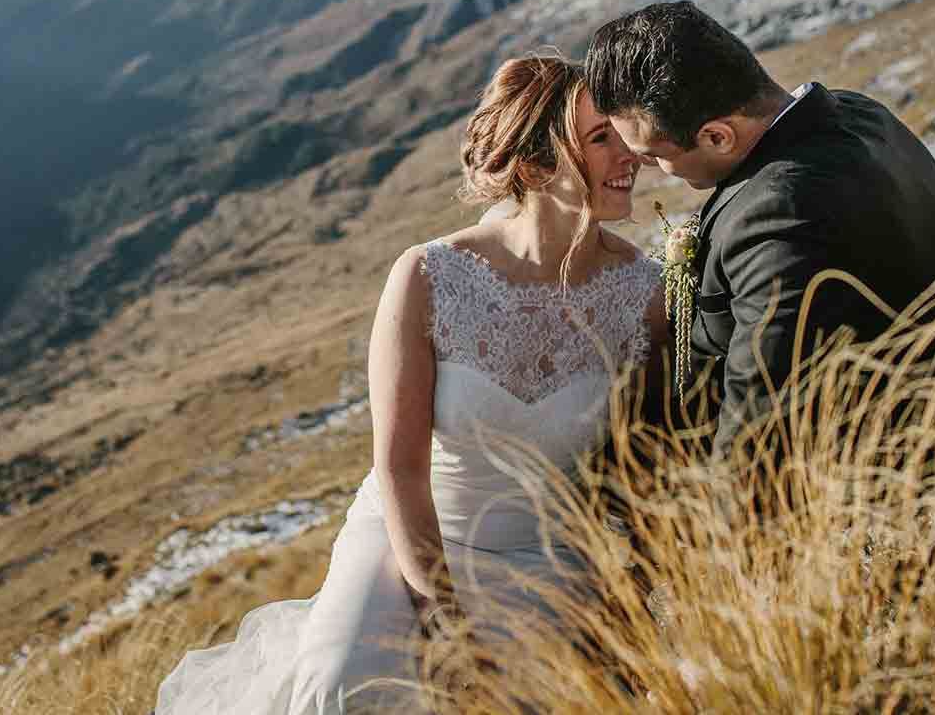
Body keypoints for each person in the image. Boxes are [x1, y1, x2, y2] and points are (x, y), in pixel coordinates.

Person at [155, 55, 666, 713]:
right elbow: (399, 469)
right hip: (411, 541)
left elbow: (644, 464)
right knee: (348, 686)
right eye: (602, 139)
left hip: (550, 558)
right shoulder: (429, 275)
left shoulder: (643, 293)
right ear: (538, 164)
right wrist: (446, 619)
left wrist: (629, 594)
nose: (631, 153)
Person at [584, 0, 935, 463]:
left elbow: (761, 427)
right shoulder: (862, 114)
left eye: (654, 153)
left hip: (857, 491)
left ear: (717, 137)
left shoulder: (777, 217)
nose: (649, 166)